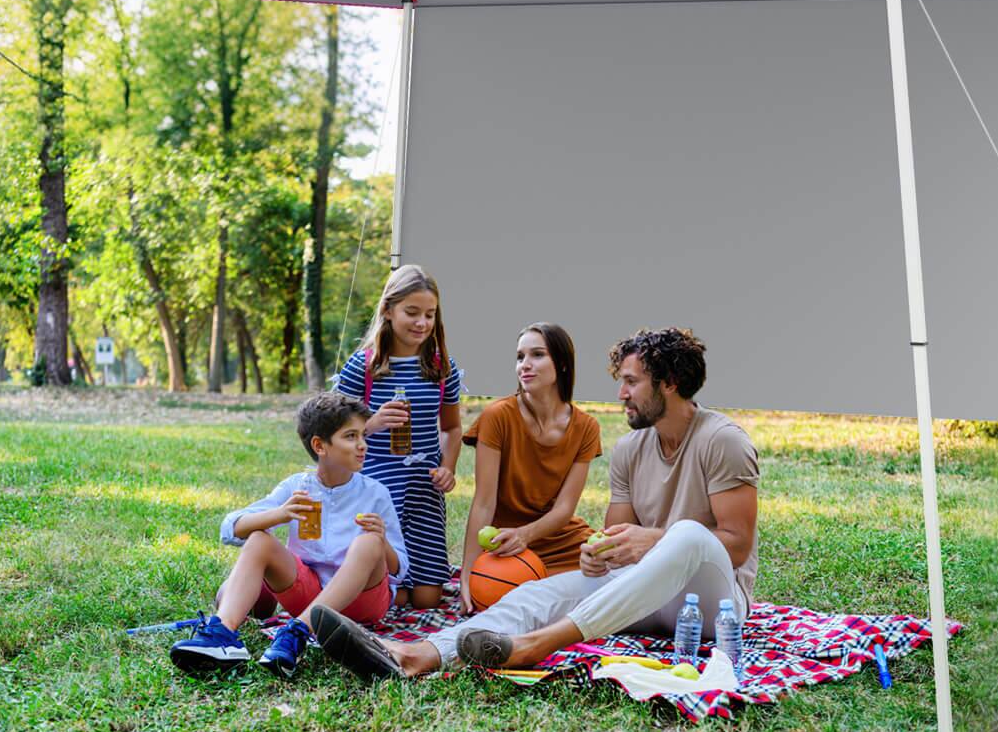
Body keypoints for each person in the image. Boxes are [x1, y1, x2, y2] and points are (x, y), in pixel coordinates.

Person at [310, 327, 757, 682]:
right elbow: (615, 539)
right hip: (643, 598)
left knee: (686, 535)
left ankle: (536, 646)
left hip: (710, 607)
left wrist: (653, 540)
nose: (621, 393)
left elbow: (735, 546)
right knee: (533, 593)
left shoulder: (722, 441)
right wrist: (597, 554)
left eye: (631, 382)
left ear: (670, 383)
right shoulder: (630, 449)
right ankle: (418, 655)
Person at [169, 391, 407, 679]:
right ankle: (223, 634)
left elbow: (400, 569)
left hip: (362, 603)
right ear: (320, 446)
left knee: (368, 542)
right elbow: (230, 528)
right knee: (259, 538)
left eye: (362, 435)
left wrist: (382, 542)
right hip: (306, 596)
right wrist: (280, 514)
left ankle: (297, 632)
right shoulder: (297, 487)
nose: (362, 445)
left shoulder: (375, 493)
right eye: (351, 436)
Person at [333, 264, 463, 608]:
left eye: (430, 314)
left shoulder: (441, 368)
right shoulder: (364, 366)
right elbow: (332, 430)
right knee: (393, 592)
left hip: (424, 489)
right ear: (388, 311)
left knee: (427, 599)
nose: (422, 323)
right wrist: (371, 424)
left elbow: (451, 428)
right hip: (377, 488)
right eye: (412, 312)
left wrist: (448, 467)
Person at [456, 322, 602, 605]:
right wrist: (468, 574)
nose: (525, 364)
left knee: (614, 571)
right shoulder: (497, 416)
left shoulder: (587, 427)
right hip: (505, 542)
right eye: (520, 356)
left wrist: (527, 534)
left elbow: (564, 509)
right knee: (512, 597)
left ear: (562, 363)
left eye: (537, 355)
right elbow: (484, 503)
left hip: (559, 538)